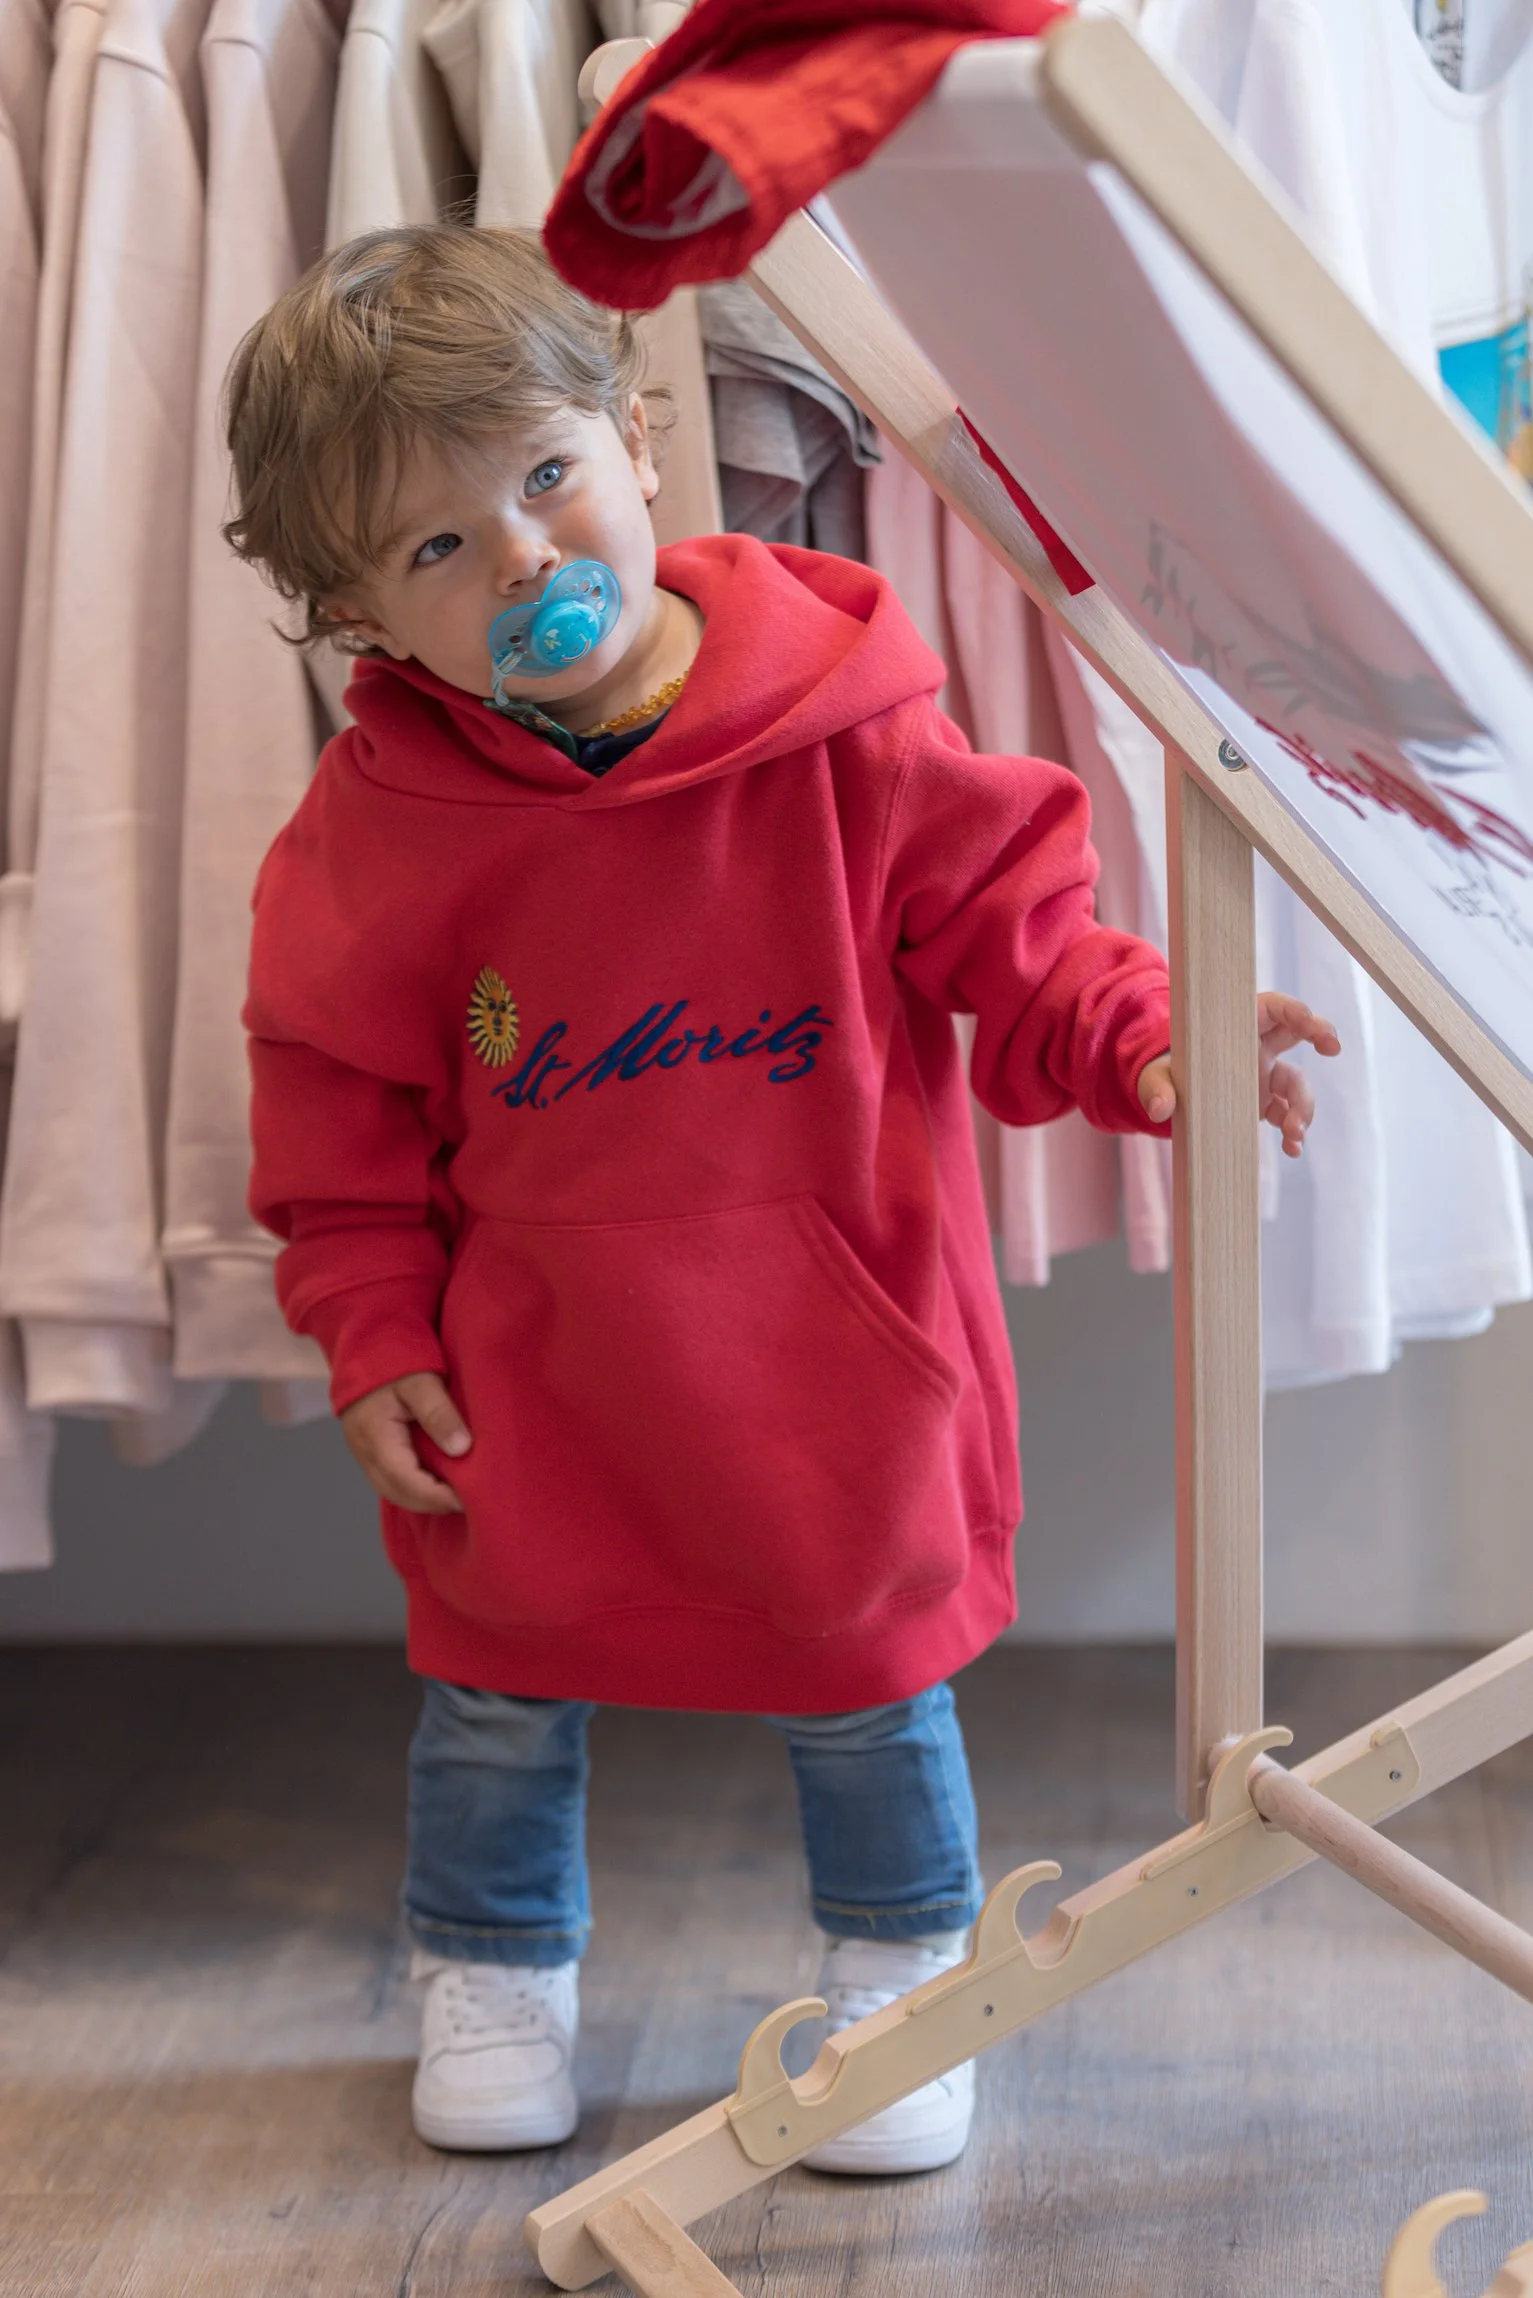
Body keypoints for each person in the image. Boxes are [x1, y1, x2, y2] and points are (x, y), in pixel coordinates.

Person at [230, 223, 1339, 2170]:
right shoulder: (376, 831)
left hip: (830, 1363)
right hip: (540, 1373)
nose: (525, 559)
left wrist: (1151, 1036)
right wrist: (370, 1325)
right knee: (493, 1689)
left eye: (548, 477)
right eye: (439, 546)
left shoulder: (847, 727)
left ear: (640, 436)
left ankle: (902, 1982)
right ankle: (491, 1966)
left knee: (867, 1685)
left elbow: (1023, 933)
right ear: (356, 619)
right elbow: (338, 1108)